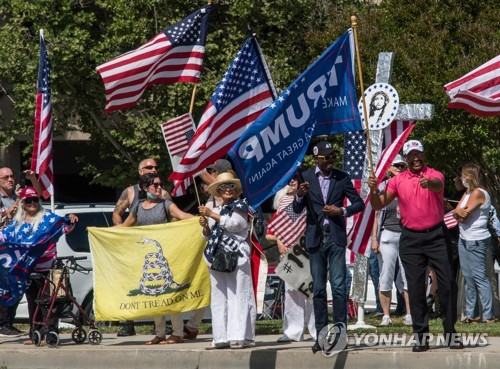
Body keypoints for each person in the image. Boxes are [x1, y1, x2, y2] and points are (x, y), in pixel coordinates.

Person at [368, 139, 461, 352]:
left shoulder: (434, 174)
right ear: (406, 158)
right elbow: (378, 204)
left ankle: (450, 331)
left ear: (424, 155)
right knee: (416, 288)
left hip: (437, 236)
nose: (416, 158)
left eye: (419, 154)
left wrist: (429, 184)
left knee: (448, 285)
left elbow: (438, 184)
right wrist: (373, 190)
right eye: (411, 155)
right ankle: (420, 335)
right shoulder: (398, 180)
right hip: (410, 239)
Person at [292, 141, 364, 353]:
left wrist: (341, 211)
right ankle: (321, 336)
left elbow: (358, 203)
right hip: (315, 238)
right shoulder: (305, 177)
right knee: (320, 290)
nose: (330, 161)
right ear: (317, 159)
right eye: (326, 158)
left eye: (333, 157)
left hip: (335, 237)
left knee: (339, 287)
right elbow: (297, 209)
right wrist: (300, 194)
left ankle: (341, 335)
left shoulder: (342, 177)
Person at [117, 173, 194, 344]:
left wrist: (201, 218)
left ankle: (178, 333)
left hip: (166, 256)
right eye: (155, 185)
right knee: (153, 297)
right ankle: (160, 333)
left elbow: (183, 216)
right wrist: (102, 232)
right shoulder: (137, 207)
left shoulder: (166, 204)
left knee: (169, 294)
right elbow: (124, 226)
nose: (159, 188)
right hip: (146, 259)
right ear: (145, 188)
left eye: (160, 184)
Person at [0, 187, 78, 344]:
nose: (32, 203)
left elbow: (65, 228)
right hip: (27, 269)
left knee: (49, 302)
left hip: (48, 267)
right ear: (22, 203)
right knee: (32, 301)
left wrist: (70, 219)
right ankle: (35, 334)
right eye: (28, 201)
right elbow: (4, 239)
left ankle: (49, 334)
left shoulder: (48, 218)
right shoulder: (17, 223)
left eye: (35, 200)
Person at [112, 158, 172, 337]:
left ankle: (159, 325)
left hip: (156, 247)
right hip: (135, 247)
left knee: (157, 282)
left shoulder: (163, 193)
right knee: (131, 283)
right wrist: (122, 233)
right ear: (140, 171)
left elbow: (173, 218)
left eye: (155, 167)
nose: (153, 169)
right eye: (149, 167)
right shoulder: (130, 192)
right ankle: (127, 323)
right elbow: (117, 212)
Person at [199, 172, 255, 350]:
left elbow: (235, 225)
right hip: (216, 256)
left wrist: (211, 215)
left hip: (236, 256)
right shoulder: (215, 210)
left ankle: (239, 336)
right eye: (223, 187)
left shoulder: (241, 206)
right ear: (218, 191)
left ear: (235, 189)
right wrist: (205, 225)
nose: (227, 190)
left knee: (239, 294)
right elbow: (207, 235)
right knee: (218, 297)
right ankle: (220, 337)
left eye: (231, 186)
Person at [266, 175, 316, 343]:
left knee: (312, 290)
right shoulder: (284, 200)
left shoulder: (312, 196)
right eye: (290, 179)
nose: (293, 181)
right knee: (292, 292)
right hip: (290, 251)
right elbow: (279, 228)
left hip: (309, 247)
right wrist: (282, 249)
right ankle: (293, 332)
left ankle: (317, 330)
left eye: (296, 178)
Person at [0, 167, 43, 337]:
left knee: (18, 286)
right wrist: (13, 207)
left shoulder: (17, 195)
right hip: (3, 250)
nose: (10, 179)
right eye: (5, 177)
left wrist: (32, 178)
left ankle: (8, 322)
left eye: (11, 176)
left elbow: (37, 195)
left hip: (17, 249)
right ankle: (2, 323)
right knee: (5, 287)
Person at [371, 154, 412, 327]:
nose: (400, 168)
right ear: (389, 167)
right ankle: (386, 315)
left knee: (408, 276)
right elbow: (376, 213)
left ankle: (410, 314)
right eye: (396, 166)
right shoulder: (382, 187)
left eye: (402, 166)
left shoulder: (409, 184)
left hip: (406, 234)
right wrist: (374, 238)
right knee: (385, 274)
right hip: (387, 234)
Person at [454, 163, 495, 323]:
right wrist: (458, 213)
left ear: (469, 176)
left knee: (480, 277)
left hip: (476, 239)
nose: (460, 178)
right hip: (464, 238)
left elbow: (464, 216)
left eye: (463, 175)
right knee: (468, 277)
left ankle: (488, 315)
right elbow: (456, 212)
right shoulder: (467, 193)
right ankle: (471, 314)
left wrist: (459, 213)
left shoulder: (478, 193)